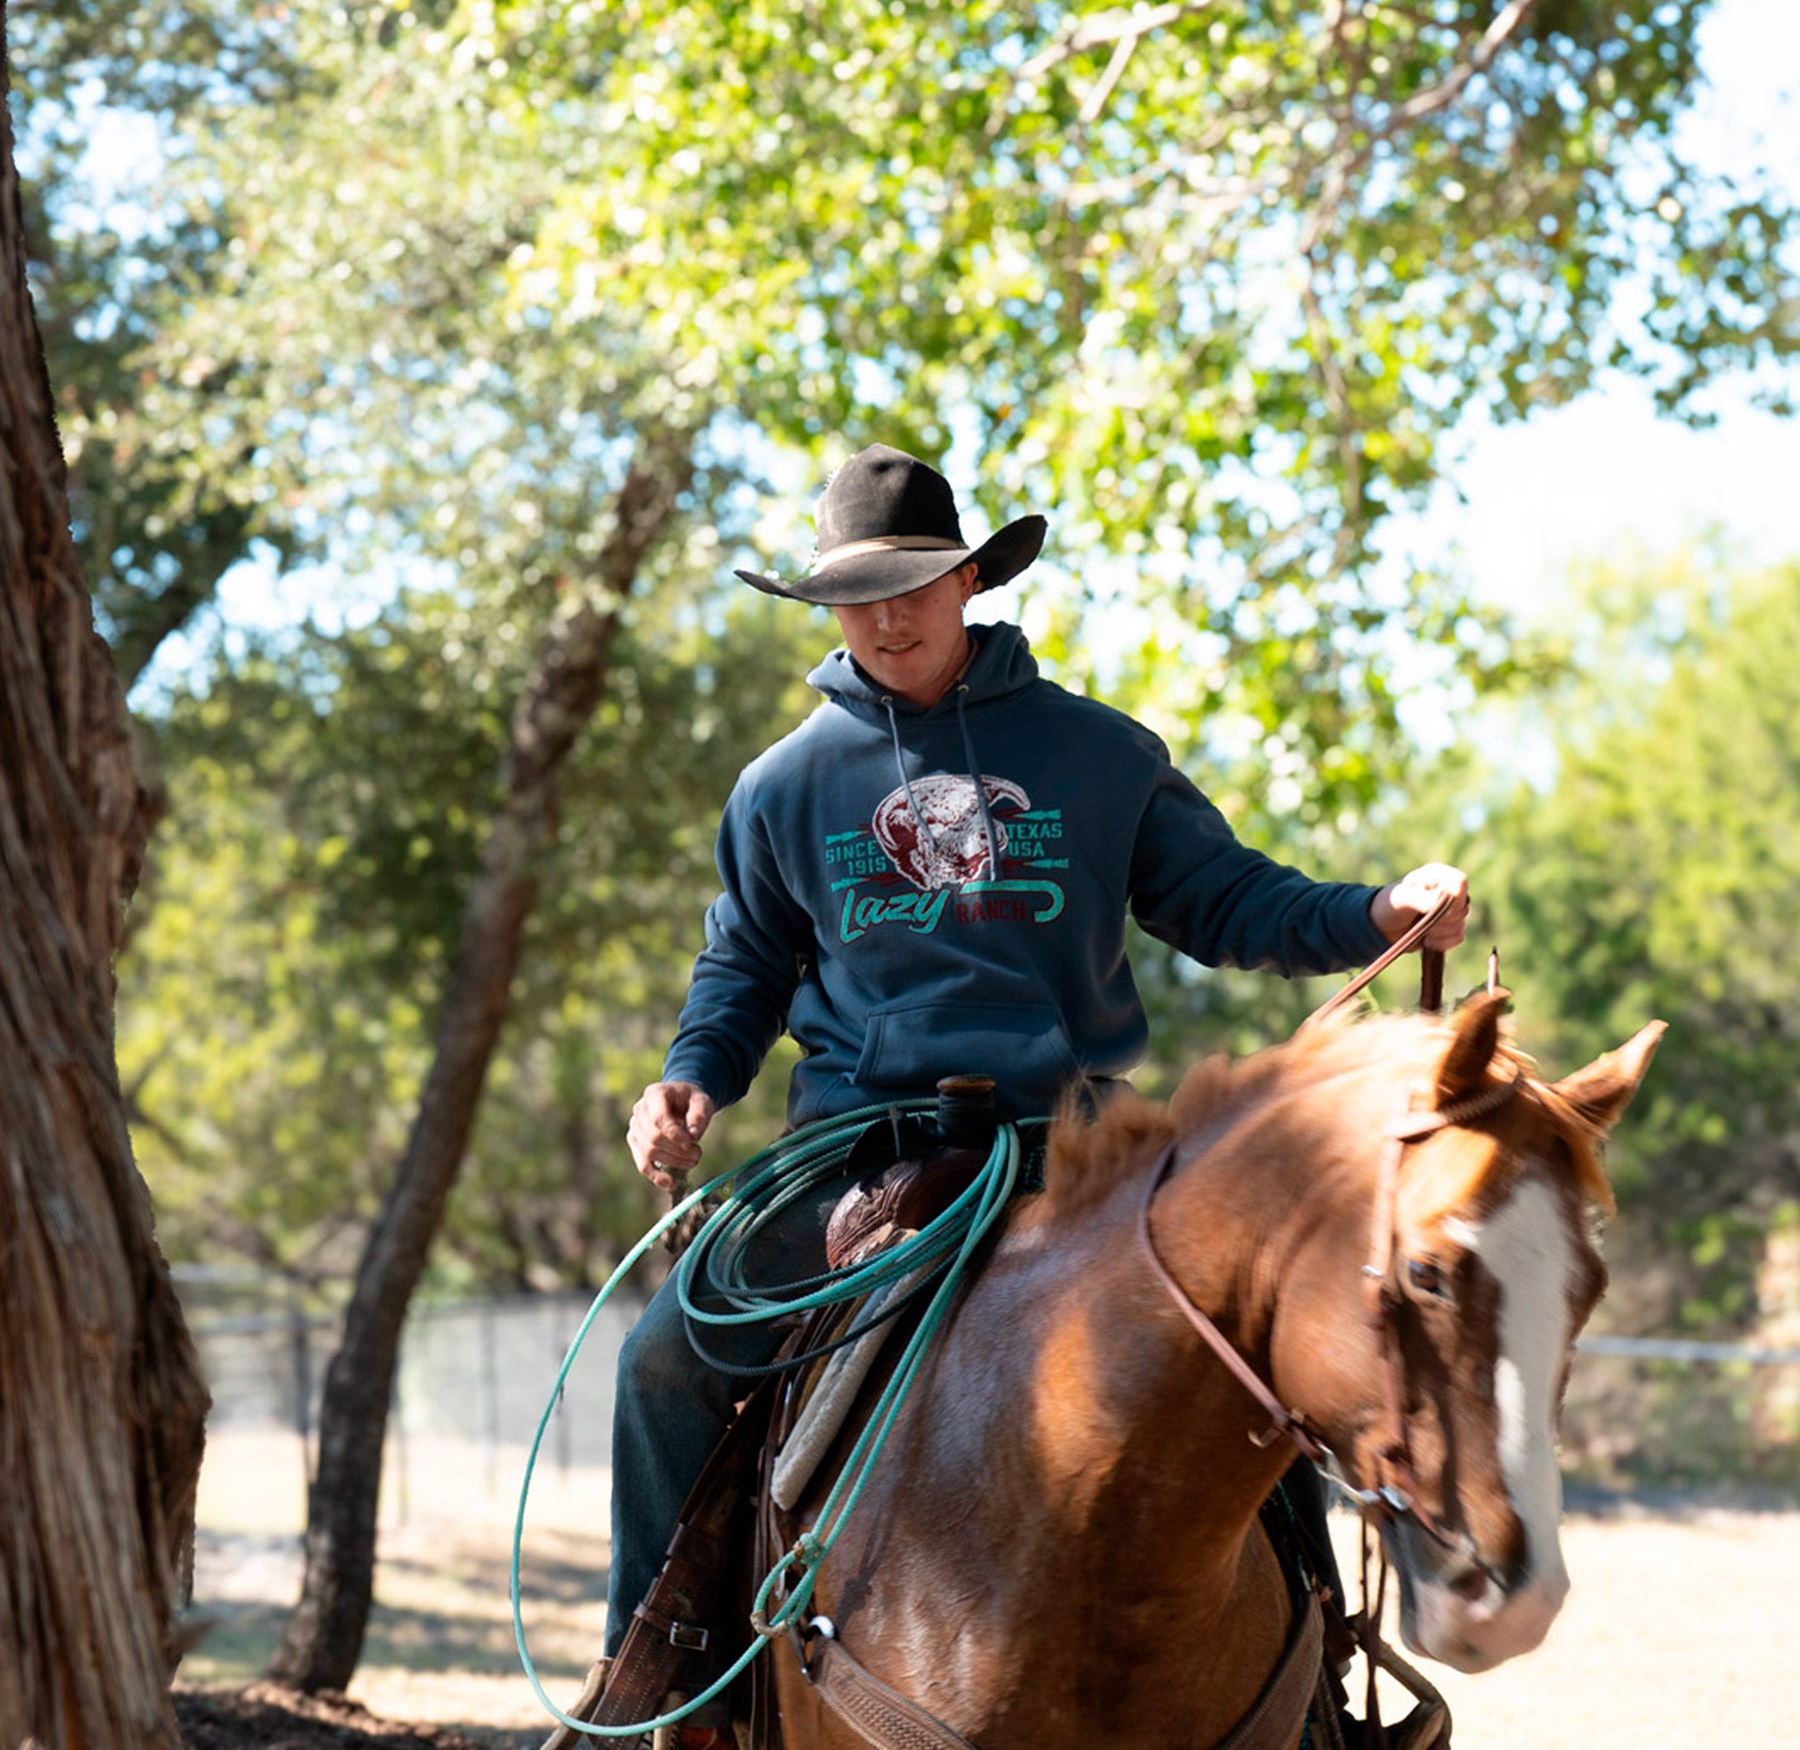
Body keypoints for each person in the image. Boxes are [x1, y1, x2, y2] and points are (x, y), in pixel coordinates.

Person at [594, 444, 1467, 1740]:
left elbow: (1228, 900)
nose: (888, 617)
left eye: (913, 585)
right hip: (857, 1152)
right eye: (857, 595)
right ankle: (661, 1688)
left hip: (1076, 1150)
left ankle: (1320, 1681)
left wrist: (1377, 912)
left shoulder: (1097, 753)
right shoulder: (783, 785)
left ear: (969, 582)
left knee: (1242, 1351)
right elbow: (745, 966)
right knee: (664, 1359)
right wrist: (691, 1077)